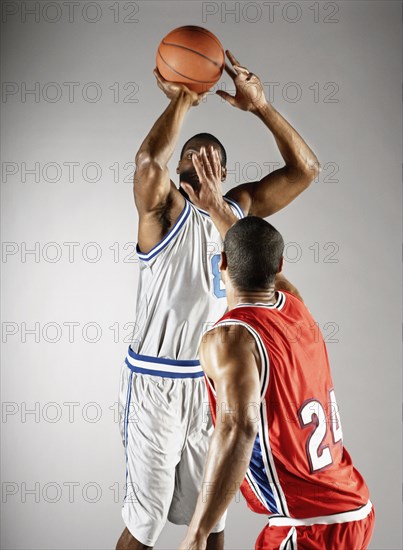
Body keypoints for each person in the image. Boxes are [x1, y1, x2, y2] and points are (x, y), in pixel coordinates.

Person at [116, 50, 320, 550]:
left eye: (208, 166)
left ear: (224, 173)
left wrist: (261, 108)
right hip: (157, 382)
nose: (197, 174)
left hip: (212, 382)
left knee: (211, 522)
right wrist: (184, 98)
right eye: (188, 165)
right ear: (178, 172)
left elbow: (307, 169)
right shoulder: (164, 212)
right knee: (147, 524)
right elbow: (147, 163)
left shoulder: (238, 208)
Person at [179, 216, 375, 550]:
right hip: (354, 508)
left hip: (307, 526)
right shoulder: (298, 309)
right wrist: (216, 207)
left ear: (222, 262)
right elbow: (263, 263)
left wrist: (197, 534)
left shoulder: (231, 338)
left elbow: (237, 429)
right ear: (280, 265)